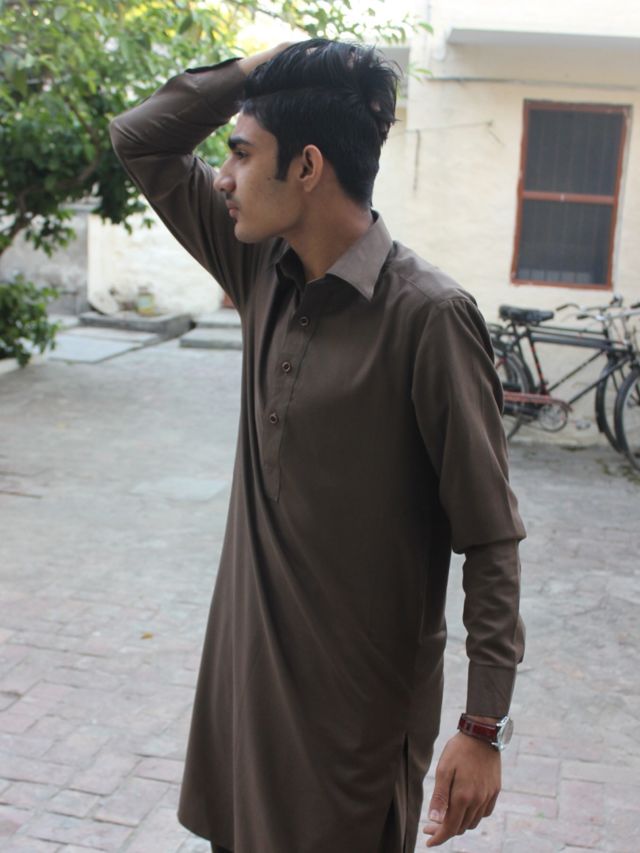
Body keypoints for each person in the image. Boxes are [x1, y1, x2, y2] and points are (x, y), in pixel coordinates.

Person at [109, 38, 526, 853]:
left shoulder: (429, 317)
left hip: (351, 733)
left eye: (240, 153)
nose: (221, 177)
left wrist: (483, 725)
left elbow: (490, 535)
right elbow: (140, 140)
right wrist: (254, 71)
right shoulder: (260, 267)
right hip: (242, 698)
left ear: (306, 167)